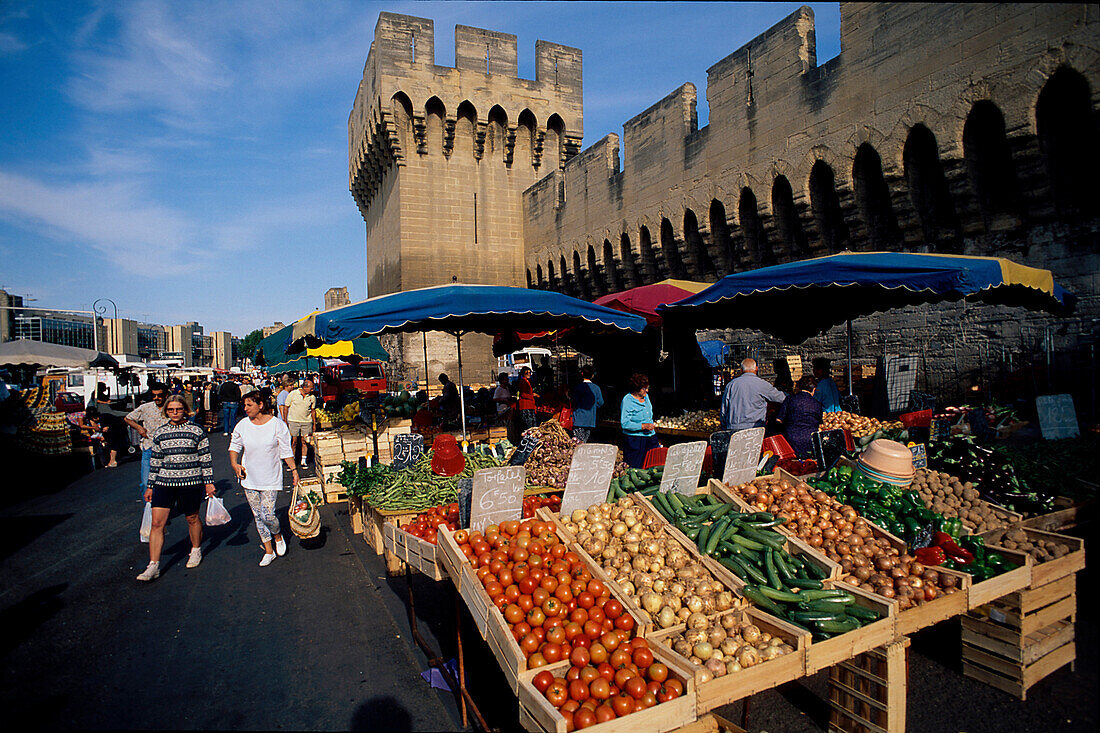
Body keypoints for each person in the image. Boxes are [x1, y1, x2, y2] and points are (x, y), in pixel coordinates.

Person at [136, 395, 215, 581]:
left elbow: (205, 458)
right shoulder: (160, 433)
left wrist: (209, 482)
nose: (175, 413)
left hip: (191, 482)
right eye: (171, 410)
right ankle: (153, 565)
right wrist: (150, 486)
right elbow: (155, 461)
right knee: (157, 523)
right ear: (166, 411)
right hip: (164, 483)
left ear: (185, 410)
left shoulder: (197, 431)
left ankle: (195, 550)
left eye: (178, 409)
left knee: (192, 518)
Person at [229, 391, 297, 567]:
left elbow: (285, 450)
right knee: (258, 515)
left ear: (260, 405)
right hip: (249, 478)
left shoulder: (276, 425)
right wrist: (235, 464)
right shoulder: (242, 425)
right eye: (244, 405)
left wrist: (294, 470)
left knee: (268, 514)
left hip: (270, 477)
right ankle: (269, 551)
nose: (245, 409)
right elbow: (234, 446)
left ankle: (277, 535)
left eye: (249, 405)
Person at [124, 383, 170, 500]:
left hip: (168, 450)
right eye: (154, 395)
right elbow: (128, 418)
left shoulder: (171, 407)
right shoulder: (146, 407)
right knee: (146, 483)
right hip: (149, 448)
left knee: (166, 483)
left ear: (166, 395)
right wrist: (139, 428)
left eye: (159, 395)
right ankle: (149, 512)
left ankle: (163, 510)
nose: (156, 398)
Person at [720, 358, 788, 431]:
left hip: (733, 427)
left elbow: (724, 410)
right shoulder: (762, 384)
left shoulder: (731, 385)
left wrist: (725, 427)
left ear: (741, 370)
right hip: (754, 428)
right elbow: (782, 398)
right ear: (756, 369)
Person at [776, 375, 825, 458]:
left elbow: (778, 420)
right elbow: (819, 423)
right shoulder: (817, 404)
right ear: (814, 389)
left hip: (790, 440)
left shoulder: (790, 399)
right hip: (810, 440)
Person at [620, 373, 658, 468]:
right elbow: (625, 423)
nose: (647, 390)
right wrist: (643, 426)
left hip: (650, 437)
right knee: (635, 467)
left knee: (652, 466)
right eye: (644, 389)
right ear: (637, 388)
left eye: (647, 387)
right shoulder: (627, 400)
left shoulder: (646, 397)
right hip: (635, 440)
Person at [285, 379, 317, 467]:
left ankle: (303, 460)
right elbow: (286, 407)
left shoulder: (312, 397)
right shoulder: (293, 394)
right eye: (311, 388)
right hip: (293, 421)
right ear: (305, 387)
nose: (312, 390)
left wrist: (314, 423)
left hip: (306, 422)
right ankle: (292, 461)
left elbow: (313, 411)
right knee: (294, 441)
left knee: (305, 441)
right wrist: (285, 420)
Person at [571, 365, 604, 443]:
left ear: (582, 374)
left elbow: (573, 401)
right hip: (590, 421)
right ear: (592, 375)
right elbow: (601, 402)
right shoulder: (596, 388)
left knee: (578, 443)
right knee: (585, 441)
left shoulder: (578, 387)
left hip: (578, 420)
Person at [515, 366, 538, 432]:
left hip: (529, 405)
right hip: (526, 406)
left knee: (531, 426)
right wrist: (532, 395)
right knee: (529, 426)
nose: (528, 374)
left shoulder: (527, 381)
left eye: (529, 372)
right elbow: (523, 394)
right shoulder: (523, 382)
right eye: (526, 372)